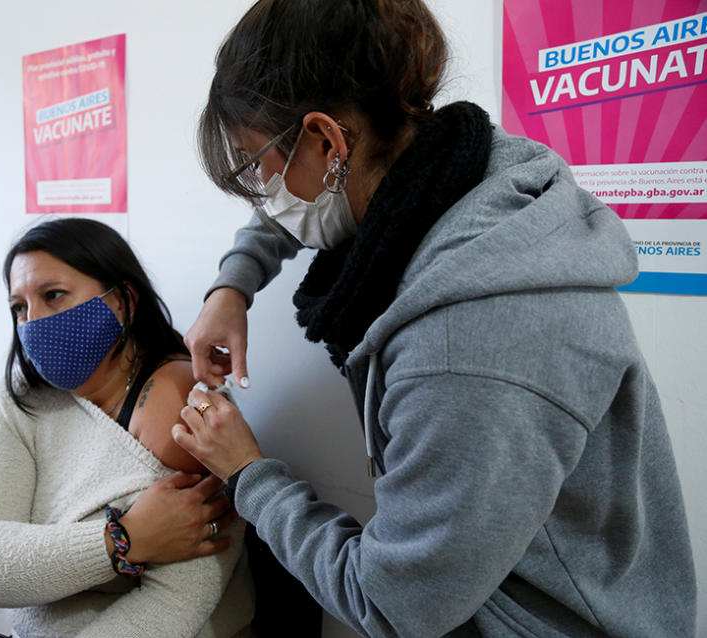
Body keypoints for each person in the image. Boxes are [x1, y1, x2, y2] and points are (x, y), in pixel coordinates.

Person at [173, 1, 697, 637]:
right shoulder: (473, 167)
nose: (264, 191)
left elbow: (395, 607)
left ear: (326, 141)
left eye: (258, 162)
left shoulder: (466, 349)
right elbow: (299, 200)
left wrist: (247, 474)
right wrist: (233, 285)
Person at [0, 218, 254, 638]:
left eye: (53, 296)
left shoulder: (187, 412)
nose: (33, 323)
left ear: (122, 300)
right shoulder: (22, 398)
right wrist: (122, 540)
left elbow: (173, 606)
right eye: (20, 307)